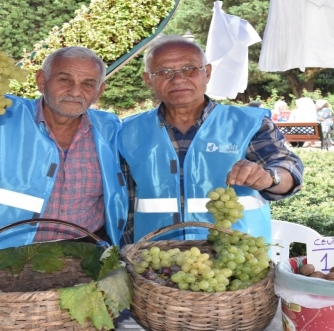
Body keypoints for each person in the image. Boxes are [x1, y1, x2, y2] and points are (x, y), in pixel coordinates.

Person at [0, 18, 127, 252]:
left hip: (88, 251)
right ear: (42, 81)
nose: (75, 92)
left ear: (99, 91)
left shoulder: (110, 129)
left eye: (88, 84)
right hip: (9, 253)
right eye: (64, 80)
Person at [116, 35, 304, 245]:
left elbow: (288, 167)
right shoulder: (127, 131)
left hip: (236, 260)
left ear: (207, 72)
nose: (178, 79)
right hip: (155, 262)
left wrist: (270, 178)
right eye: (164, 72)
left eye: (190, 69)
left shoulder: (248, 123)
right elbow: (122, 206)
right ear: (148, 79)